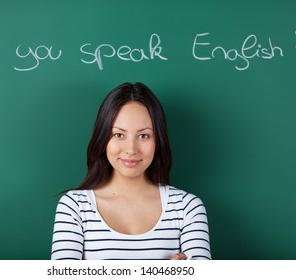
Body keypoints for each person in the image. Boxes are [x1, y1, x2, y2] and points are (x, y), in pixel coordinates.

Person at [51, 82, 211, 260]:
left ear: (158, 142)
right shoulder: (74, 207)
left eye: (144, 136)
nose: (131, 149)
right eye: (119, 135)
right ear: (103, 138)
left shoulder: (187, 208)